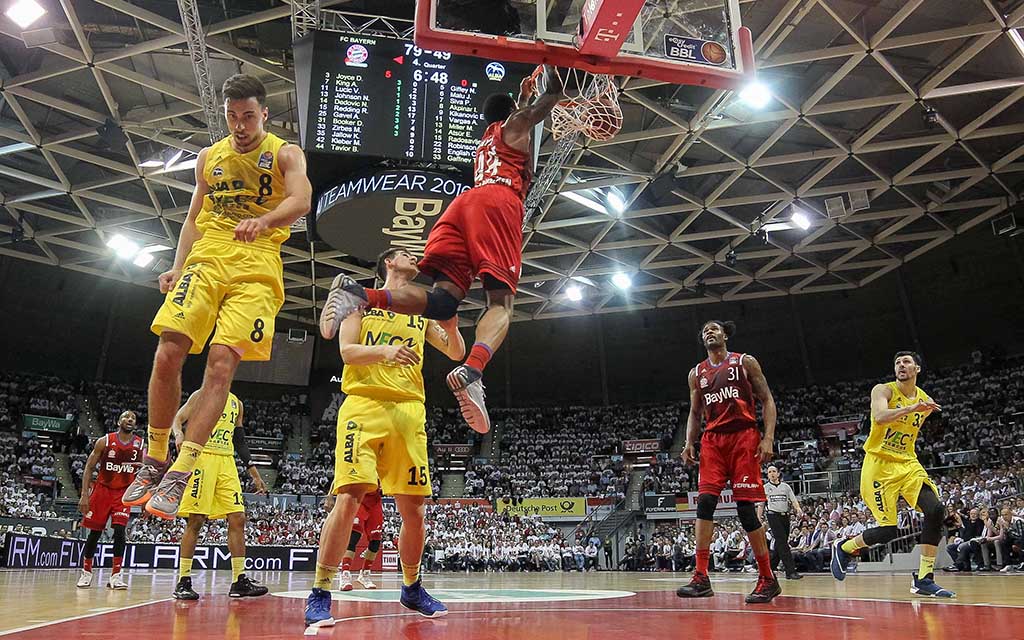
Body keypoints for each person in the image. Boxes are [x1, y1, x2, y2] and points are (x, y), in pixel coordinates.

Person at [317, 66, 565, 434]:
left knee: (444, 302)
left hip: (461, 207)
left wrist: (526, 94)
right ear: (510, 112)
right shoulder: (513, 129)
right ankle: (473, 370)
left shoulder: (488, 138)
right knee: (501, 304)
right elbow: (527, 116)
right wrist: (559, 87)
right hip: (498, 202)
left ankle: (360, 294)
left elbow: (519, 114)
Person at [121, 73, 311, 519]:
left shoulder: (285, 152)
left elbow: (301, 200)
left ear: (264, 113)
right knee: (168, 352)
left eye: (248, 116)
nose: (240, 125)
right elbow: (192, 218)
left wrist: (264, 222)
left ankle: (182, 471)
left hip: (259, 262)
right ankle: (155, 456)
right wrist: (177, 264)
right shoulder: (209, 156)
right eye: (232, 116)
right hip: (208, 256)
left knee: (221, 365)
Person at [304, 248, 466, 628]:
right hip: (364, 406)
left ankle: (411, 587)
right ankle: (320, 592)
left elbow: (456, 351)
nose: (416, 258)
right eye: (408, 254)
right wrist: (386, 351)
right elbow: (347, 351)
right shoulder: (361, 300)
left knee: (415, 510)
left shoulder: (423, 311)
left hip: (409, 411)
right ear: (388, 263)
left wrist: (453, 324)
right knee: (348, 498)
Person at [830, 352, 954, 597]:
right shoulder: (883, 390)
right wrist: (911, 408)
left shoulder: (925, 400)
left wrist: (918, 407)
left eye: (906, 362)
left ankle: (924, 578)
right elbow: (879, 416)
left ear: (917, 368)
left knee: (936, 510)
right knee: (888, 531)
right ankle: (844, 548)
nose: (901, 365)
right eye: (897, 362)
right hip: (879, 465)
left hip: (907, 463)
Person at [676, 320, 781, 604]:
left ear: (725, 335)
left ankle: (767, 578)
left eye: (714, 328)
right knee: (705, 503)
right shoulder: (696, 373)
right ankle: (700, 576)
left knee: (746, 510)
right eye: (705, 330)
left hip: (743, 436)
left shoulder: (744, 362)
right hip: (712, 441)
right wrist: (689, 443)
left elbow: (768, 400)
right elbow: (695, 413)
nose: (709, 332)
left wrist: (768, 437)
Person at [170, 390, 269, 600]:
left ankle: (239, 580)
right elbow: (178, 419)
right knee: (196, 520)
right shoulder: (201, 395)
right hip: (202, 457)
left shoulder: (236, 403)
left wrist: (253, 472)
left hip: (227, 460)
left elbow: (239, 440)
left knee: (238, 517)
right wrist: (178, 433)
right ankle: (183, 580)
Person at [76, 410, 143, 590]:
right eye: (126, 417)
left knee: (120, 531)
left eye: (133, 418)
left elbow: (146, 472)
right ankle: (87, 572)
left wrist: (143, 492)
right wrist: (84, 495)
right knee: (95, 533)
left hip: (123, 493)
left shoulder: (141, 444)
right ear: (118, 421)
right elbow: (89, 468)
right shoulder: (104, 441)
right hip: (102, 490)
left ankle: (116, 575)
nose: (129, 420)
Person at [328, 487, 384, 590]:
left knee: (376, 540)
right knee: (354, 535)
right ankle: (345, 573)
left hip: (375, 500)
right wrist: (330, 496)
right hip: (358, 498)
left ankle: (365, 574)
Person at [759, 464, 804, 579]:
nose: (772, 474)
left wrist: (798, 509)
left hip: (785, 516)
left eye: (774, 471)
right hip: (772, 515)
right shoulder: (765, 487)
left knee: (781, 543)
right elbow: (761, 504)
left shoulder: (785, 487)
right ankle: (790, 571)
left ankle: (769, 569)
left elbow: (793, 499)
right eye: (769, 472)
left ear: (778, 473)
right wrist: (759, 517)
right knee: (783, 543)